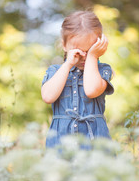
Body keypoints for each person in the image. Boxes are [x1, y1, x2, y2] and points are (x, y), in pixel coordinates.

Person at [41, 10, 115, 150]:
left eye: (89, 51)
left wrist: (93, 57)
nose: (83, 57)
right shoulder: (56, 71)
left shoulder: (102, 70)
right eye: (78, 51)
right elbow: (47, 96)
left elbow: (91, 90)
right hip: (61, 145)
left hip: (94, 145)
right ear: (64, 45)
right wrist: (67, 64)